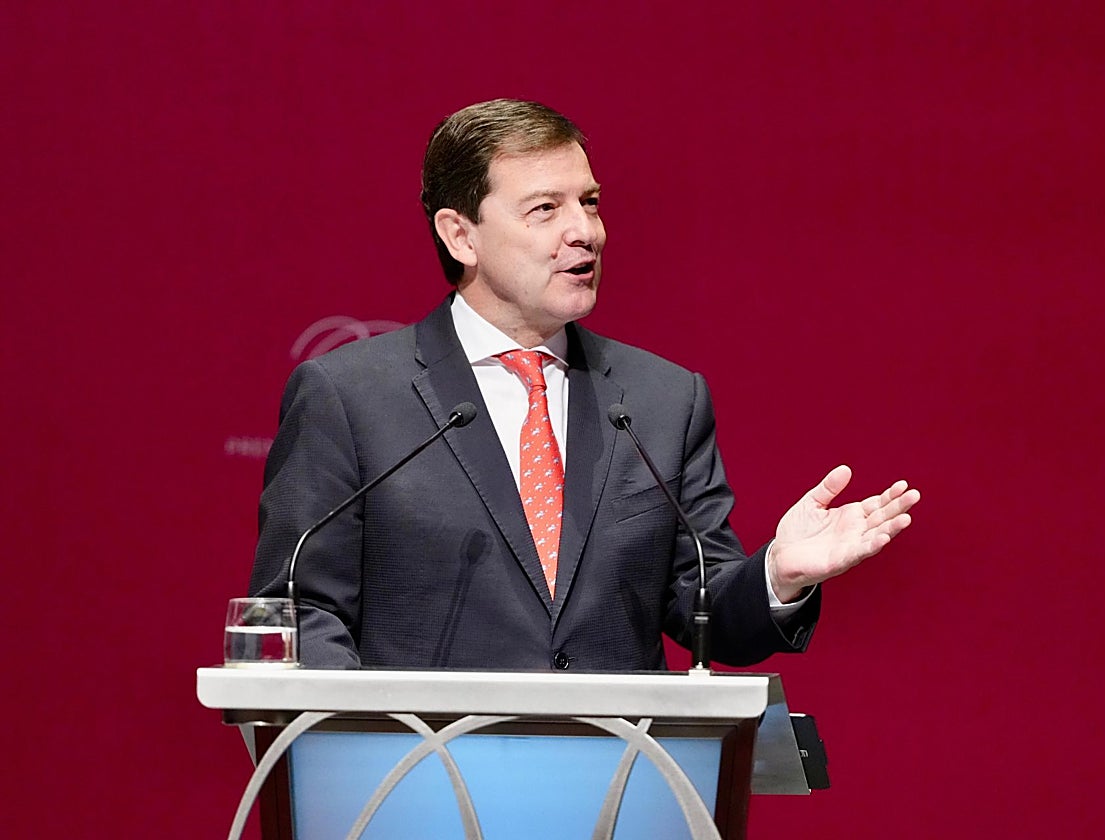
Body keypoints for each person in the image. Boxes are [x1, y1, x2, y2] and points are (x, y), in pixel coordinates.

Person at [249, 99, 919, 670]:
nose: (586, 232)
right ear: (461, 236)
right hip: (421, 790)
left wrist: (777, 574)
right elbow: (304, 615)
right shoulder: (350, 395)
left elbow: (704, 611)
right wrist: (363, 748)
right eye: (545, 209)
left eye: (590, 202)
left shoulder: (662, 401)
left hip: (617, 793)